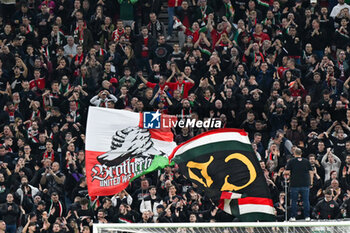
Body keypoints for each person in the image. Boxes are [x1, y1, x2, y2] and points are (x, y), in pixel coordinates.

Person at [285, 148, 313, 221]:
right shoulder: (306, 161)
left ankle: (293, 217)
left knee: (294, 201)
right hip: (305, 184)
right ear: (301, 153)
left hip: (295, 184)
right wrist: (311, 182)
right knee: (306, 200)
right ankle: (307, 217)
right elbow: (311, 172)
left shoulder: (291, 161)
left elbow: (287, 172)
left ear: (294, 153)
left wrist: (285, 172)